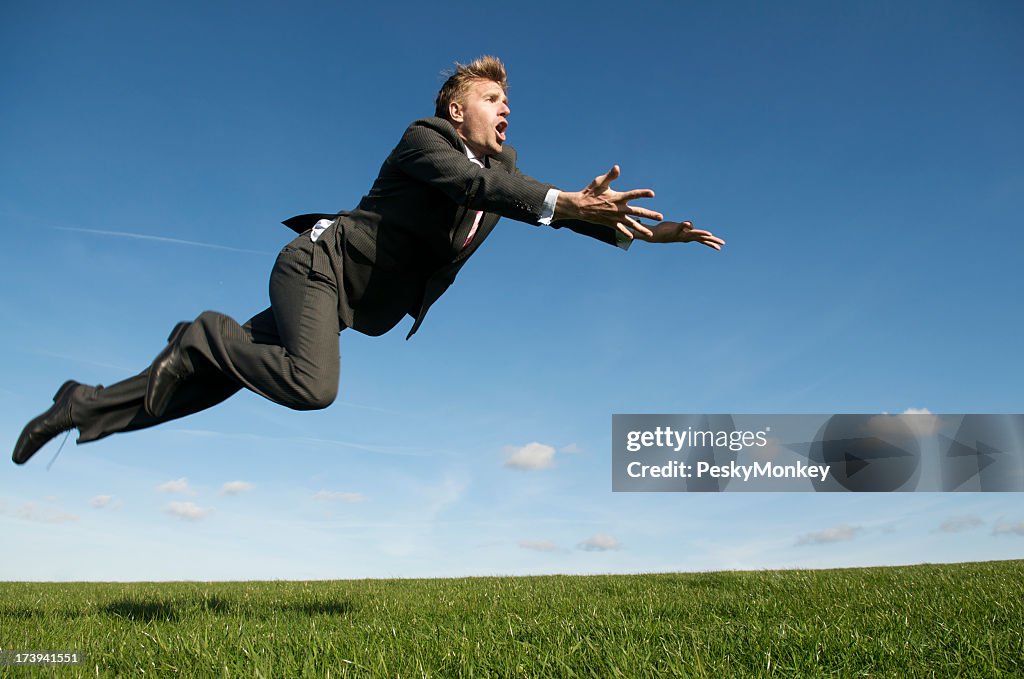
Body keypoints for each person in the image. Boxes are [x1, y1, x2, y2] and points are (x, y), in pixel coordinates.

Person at [12, 55, 725, 465]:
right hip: (315, 268)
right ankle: (202, 332)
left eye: (509, 100)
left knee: (202, 384)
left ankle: (81, 405)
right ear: (455, 108)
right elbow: (482, 185)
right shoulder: (424, 142)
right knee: (310, 385)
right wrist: (565, 198)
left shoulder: (504, 173)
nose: (506, 107)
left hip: (343, 303)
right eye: (491, 97)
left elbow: (517, 199)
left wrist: (640, 235)